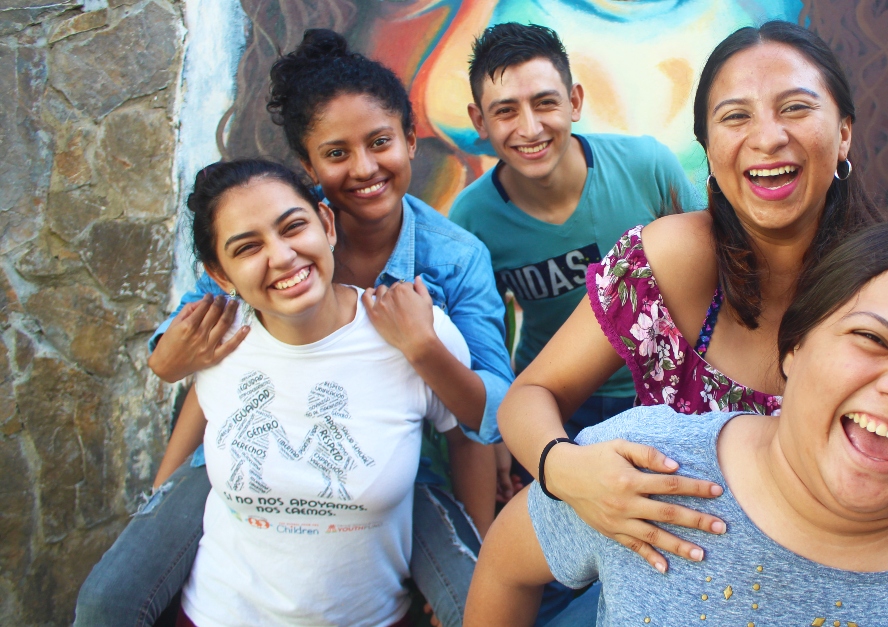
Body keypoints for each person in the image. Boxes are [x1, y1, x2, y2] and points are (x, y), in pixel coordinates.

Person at [497, 20, 888, 619]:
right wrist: (567, 470)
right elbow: (529, 395)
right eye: (735, 116)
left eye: (796, 107)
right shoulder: (669, 259)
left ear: (844, 132)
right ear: (709, 149)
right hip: (672, 577)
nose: (768, 138)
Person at [74, 30, 511, 627]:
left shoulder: (451, 261)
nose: (364, 168)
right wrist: (165, 366)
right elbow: (197, 362)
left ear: (410, 141)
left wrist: (420, 347)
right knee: (109, 600)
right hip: (242, 469)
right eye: (335, 154)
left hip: (402, 464)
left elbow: (485, 415)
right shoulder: (268, 240)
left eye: (380, 143)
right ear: (309, 169)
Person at [465, 215, 888, 627]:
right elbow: (506, 558)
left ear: (843, 134)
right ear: (792, 352)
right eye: (870, 339)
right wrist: (563, 467)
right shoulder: (643, 471)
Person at [170, 158, 467, 626]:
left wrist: (478, 556)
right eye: (247, 248)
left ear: (326, 224)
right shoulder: (220, 338)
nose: (283, 256)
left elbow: (467, 434)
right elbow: (198, 410)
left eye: (293, 227)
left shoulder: (412, 331)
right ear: (220, 274)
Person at [449, 22, 703, 483]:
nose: (530, 127)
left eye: (545, 102)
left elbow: (723, 261)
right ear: (479, 121)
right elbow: (481, 338)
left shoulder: (647, 167)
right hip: (555, 406)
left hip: (667, 394)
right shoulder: (471, 218)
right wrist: (502, 438)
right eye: (505, 111)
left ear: (575, 102)